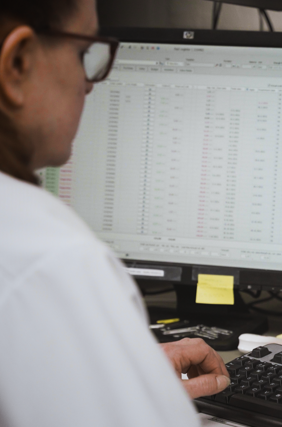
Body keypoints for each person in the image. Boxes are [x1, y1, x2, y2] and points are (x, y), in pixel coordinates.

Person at [0, 0, 229, 425]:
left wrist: (121, 371)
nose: (90, 84)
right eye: (83, 53)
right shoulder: (52, 262)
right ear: (17, 63)